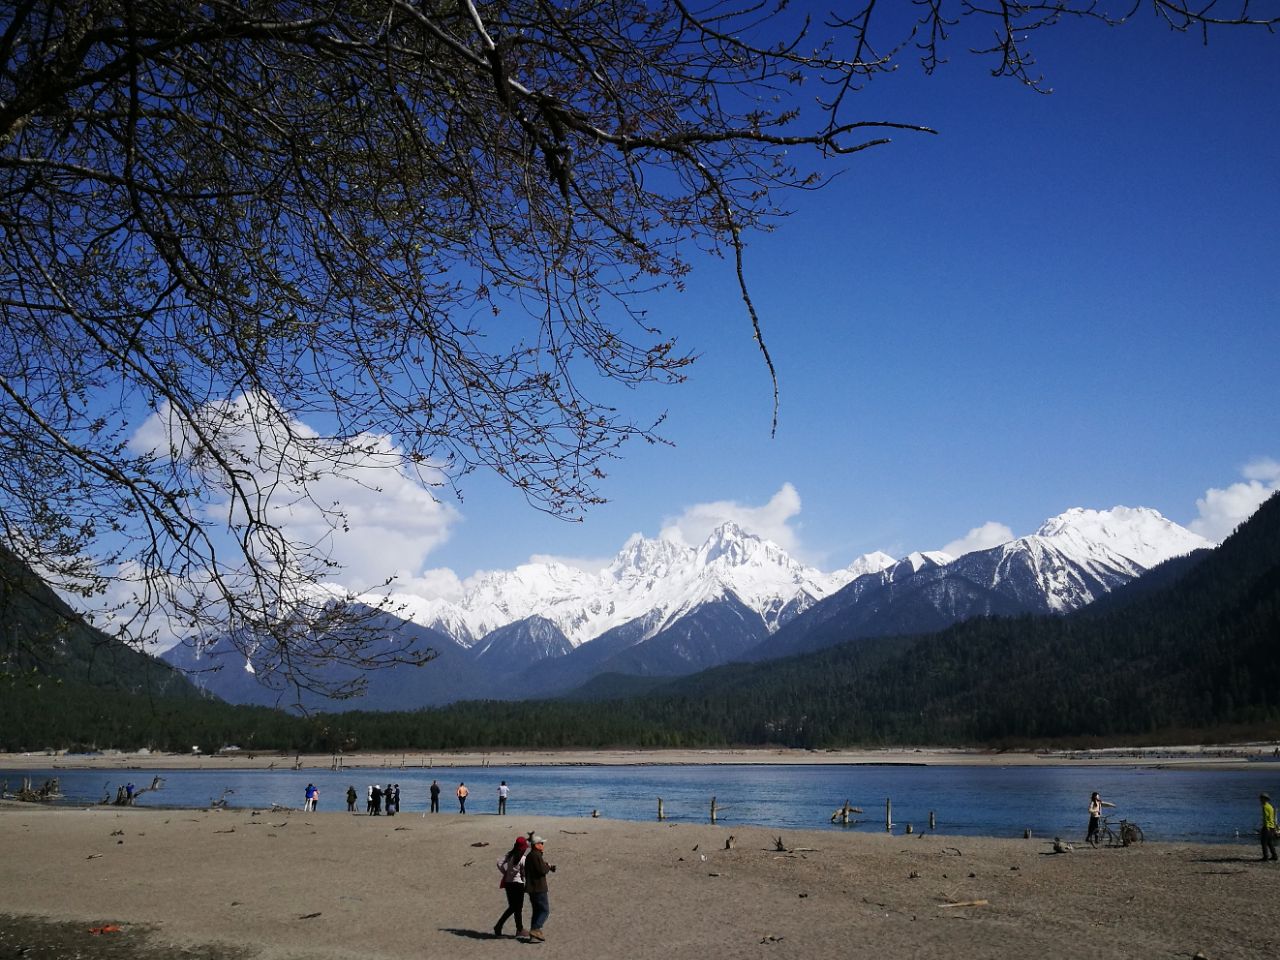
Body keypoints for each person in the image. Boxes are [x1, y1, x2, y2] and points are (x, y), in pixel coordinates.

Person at [493, 835, 529, 938]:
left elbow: (499, 863)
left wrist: (505, 872)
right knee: (516, 907)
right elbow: (525, 873)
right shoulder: (523, 859)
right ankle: (500, 926)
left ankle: (519, 929)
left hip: (508, 883)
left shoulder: (509, 855)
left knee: (514, 907)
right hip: (518, 884)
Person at [523, 833, 555, 942]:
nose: (543, 845)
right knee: (545, 910)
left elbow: (537, 868)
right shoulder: (535, 855)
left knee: (536, 911)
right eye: (541, 843)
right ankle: (536, 929)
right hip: (538, 888)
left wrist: (545, 864)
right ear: (536, 845)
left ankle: (533, 935)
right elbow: (542, 870)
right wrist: (548, 867)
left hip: (532, 888)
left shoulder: (532, 856)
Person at [1261, 793, 1278, 862]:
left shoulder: (1265, 807)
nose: (1260, 800)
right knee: (1270, 842)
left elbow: (1266, 818)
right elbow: (1272, 817)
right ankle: (1274, 856)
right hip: (1272, 827)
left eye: (1261, 798)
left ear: (1265, 799)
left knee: (1264, 842)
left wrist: (1266, 826)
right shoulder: (1270, 806)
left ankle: (1266, 857)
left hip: (1267, 827)